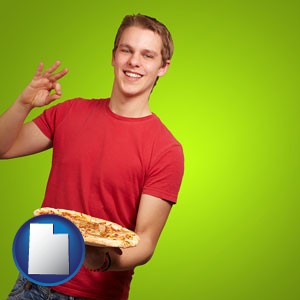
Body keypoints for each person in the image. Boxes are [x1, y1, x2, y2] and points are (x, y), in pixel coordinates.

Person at [1, 14, 184, 300]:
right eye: (127, 50)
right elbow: (3, 148)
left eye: (147, 55)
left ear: (163, 67)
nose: (134, 61)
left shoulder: (166, 149)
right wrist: (24, 103)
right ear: (114, 56)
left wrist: (104, 261)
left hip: (94, 293)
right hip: (33, 283)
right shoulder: (70, 112)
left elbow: (146, 241)